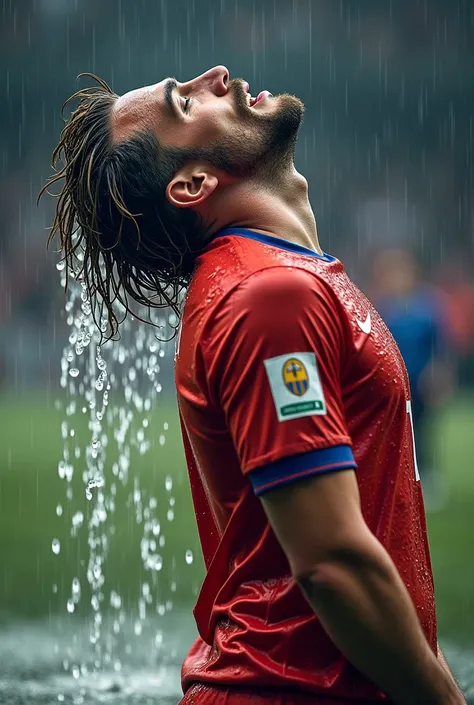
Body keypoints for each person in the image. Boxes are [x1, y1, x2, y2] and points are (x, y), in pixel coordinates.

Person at [41, 66, 466, 705]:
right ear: (193, 184)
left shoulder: (275, 280)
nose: (214, 76)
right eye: (184, 103)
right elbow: (331, 564)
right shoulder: (268, 297)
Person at [371, 249, 453, 510]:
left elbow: (439, 346)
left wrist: (439, 374)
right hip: (395, 385)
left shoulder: (427, 306)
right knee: (397, 431)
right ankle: (400, 479)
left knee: (423, 430)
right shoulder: (384, 306)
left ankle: (427, 477)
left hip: (421, 382)